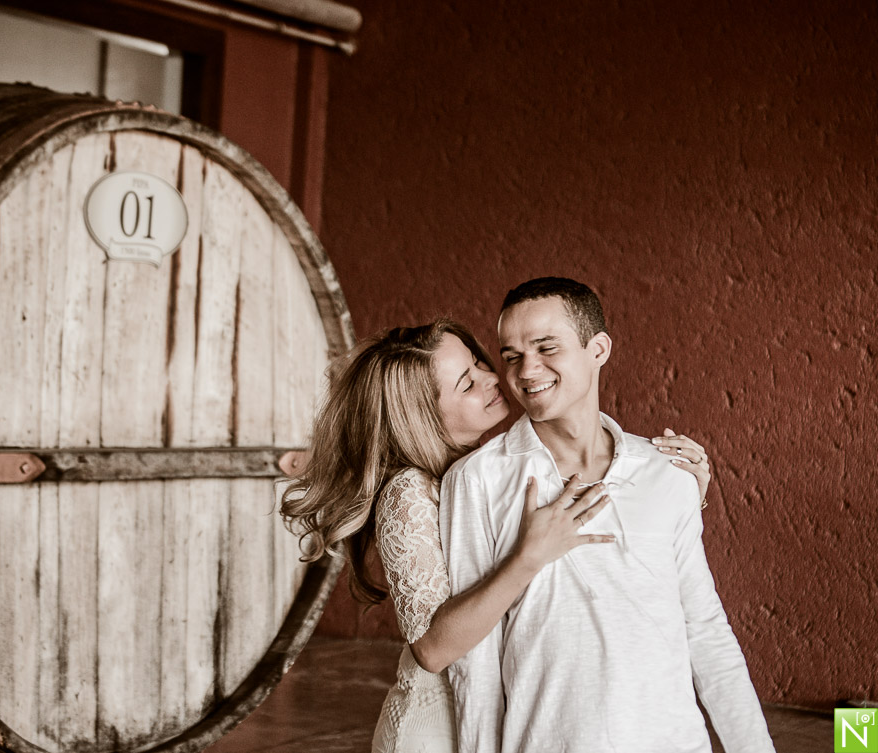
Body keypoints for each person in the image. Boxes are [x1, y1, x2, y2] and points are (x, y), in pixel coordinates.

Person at [281, 318, 713, 753]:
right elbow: (432, 650)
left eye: (479, 362)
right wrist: (528, 557)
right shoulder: (409, 492)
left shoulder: (495, 469)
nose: (493, 379)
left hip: (507, 718)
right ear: (423, 417)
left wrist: (679, 496)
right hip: (438, 732)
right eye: (467, 384)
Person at [440, 278, 772, 753]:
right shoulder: (478, 480)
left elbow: (703, 627)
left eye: (546, 347)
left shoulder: (668, 471)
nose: (526, 370)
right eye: (511, 355)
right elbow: (476, 660)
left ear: (598, 349)